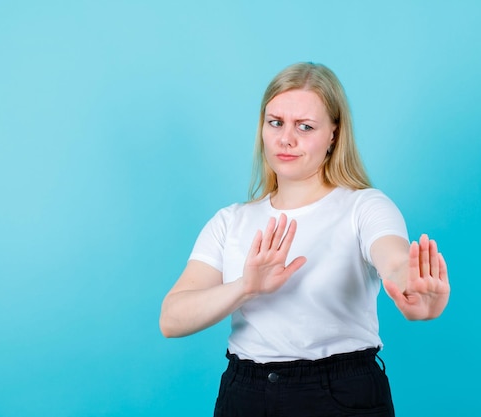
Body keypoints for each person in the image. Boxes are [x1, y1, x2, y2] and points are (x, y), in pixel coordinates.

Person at [159, 62, 450, 417]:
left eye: (305, 127)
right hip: (246, 395)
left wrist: (413, 285)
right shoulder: (230, 221)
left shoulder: (363, 206)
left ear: (333, 134)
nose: (286, 139)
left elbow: (392, 258)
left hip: (340, 395)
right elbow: (171, 319)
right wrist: (245, 287)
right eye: (276, 122)